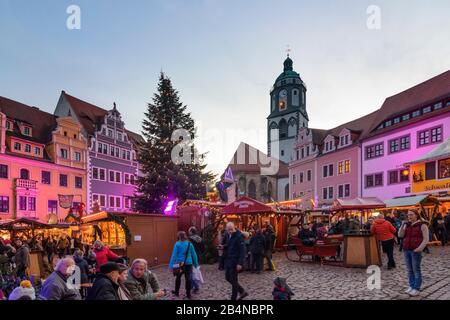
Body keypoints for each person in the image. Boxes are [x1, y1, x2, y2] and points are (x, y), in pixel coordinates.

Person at [398, 209, 429, 297]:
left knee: (416, 270)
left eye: (411, 215)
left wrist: (419, 248)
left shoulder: (422, 225)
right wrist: (402, 225)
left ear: (416, 215)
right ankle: (411, 286)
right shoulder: (407, 224)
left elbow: (426, 239)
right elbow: (400, 235)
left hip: (415, 251)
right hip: (406, 249)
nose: (409, 217)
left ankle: (416, 288)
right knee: (410, 270)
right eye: (408, 215)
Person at [169, 231, 199, 299]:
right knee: (188, 279)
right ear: (185, 236)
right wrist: (196, 263)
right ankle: (188, 294)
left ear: (179, 236)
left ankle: (176, 292)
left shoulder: (177, 244)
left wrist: (171, 265)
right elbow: (194, 254)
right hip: (188, 263)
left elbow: (174, 255)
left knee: (178, 278)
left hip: (180, 264)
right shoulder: (189, 244)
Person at [223, 222, 248, 300]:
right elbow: (229, 245)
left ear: (234, 228)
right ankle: (242, 291)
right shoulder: (228, 235)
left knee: (234, 280)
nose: (230, 231)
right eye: (228, 230)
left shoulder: (238, 236)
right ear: (226, 229)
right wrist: (223, 246)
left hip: (235, 261)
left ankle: (233, 298)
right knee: (227, 277)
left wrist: (240, 263)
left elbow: (243, 251)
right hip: (228, 260)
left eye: (231, 229)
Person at [188, 227, 204, 294]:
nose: (188, 232)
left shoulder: (190, 239)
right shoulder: (200, 239)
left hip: (191, 257)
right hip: (198, 256)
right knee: (196, 271)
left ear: (191, 232)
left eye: (189, 231)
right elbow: (203, 248)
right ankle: (193, 285)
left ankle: (194, 286)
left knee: (191, 272)